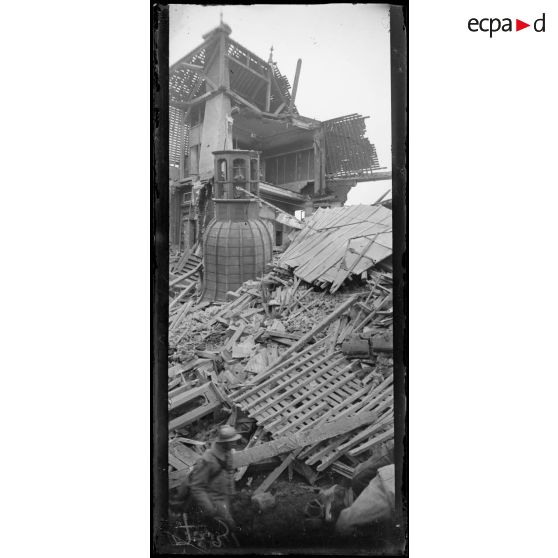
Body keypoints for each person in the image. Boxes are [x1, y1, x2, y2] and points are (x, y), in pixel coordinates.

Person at [171, 425, 241, 532]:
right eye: (232, 441)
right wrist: (209, 507)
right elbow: (197, 486)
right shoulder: (208, 460)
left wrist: (232, 493)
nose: (235, 443)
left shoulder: (227, 454)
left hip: (223, 496)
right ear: (223, 443)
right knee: (230, 526)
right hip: (212, 499)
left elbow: (229, 472)